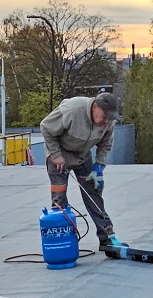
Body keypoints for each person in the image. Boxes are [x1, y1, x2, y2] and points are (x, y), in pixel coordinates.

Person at [38, 90, 127, 257]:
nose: (106, 120)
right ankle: (65, 241)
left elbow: (105, 145)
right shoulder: (72, 110)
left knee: (94, 194)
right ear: (95, 107)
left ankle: (107, 238)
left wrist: (99, 168)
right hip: (59, 157)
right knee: (59, 200)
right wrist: (56, 155)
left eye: (110, 117)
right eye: (105, 115)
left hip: (83, 157)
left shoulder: (108, 122)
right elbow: (46, 127)